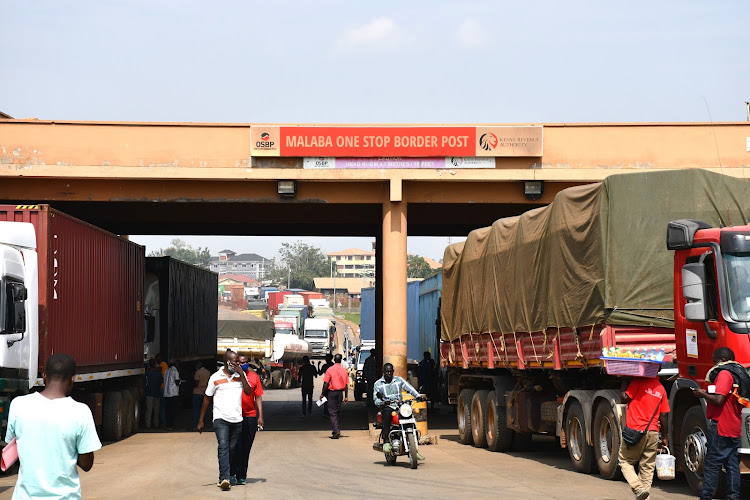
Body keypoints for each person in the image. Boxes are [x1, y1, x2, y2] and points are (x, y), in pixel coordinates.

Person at [5, 353, 101, 499]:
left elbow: (11, 450)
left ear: (44, 376)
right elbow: (86, 464)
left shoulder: (18, 405)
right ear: (72, 379)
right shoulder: (80, 412)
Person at [693, 347, 745, 500]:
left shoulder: (724, 374)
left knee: (712, 464)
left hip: (721, 426)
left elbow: (719, 399)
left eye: (715, 361)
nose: (714, 366)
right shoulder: (738, 373)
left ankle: (706, 496)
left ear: (722, 360)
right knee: (732, 464)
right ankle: (733, 497)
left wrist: (701, 394)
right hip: (734, 426)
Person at [198, 349, 253, 491]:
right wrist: (201, 420)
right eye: (235, 361)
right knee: (223, 446)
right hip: (220, 418)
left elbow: (248, 392)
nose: (238, 364)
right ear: (227, 362)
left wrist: (241, 375)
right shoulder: (215, 377)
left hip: (237, 420)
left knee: (232, 449)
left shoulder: (240, 376)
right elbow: (207, 398)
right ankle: (224, 478)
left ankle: (224, 474)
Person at [618, 375, 669, 500]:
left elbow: (624, 398)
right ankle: (644, 497)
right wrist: (665, 437)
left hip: (635, 430)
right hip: (653, 432)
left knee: (625, 461)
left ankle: (638, 488)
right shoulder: (661, 389)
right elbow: (664, 415)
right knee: (647, 467)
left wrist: (624, 380)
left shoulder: (637, 382)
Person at [373, 362, 423, 457]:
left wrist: (418, 396)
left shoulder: (399, 380)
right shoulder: (378, 384)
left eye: (391, 372)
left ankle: (415, 450)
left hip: (399, 406)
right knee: (387, 414)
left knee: (410, 419)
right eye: (387, 372)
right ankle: (386, 441)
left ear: (393, 372)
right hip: (388, 406)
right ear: (383, 372)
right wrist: (382, 402)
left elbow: (410, 388)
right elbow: (375, 399)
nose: (389, 374)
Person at [236, 355, 264, 486]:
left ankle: (242, 475)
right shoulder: (233, 377)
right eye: (242, 362)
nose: (244, 364)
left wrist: (260, 416)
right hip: (235, 416)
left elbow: (258, 397)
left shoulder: (254, 377)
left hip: (250, 416)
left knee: (246, 447)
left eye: (246, 362)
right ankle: (231, 472)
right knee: (235, 447)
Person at [319, 353, 348, 439]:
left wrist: (322, 393)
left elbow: (326, 383)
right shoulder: (344, 370)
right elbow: (346, 385)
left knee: (332, 412)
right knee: (337, 411)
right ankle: (336, 429)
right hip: (340, 393)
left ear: (334, 360)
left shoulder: (330, 370)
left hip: (331, 393)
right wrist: (346, 396)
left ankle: (336, 431)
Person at [163, 359, 182, 430]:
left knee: (167, 410)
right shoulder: (175, 371)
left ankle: (167, 425)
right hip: (173, 393)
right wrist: (180, 381)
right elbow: (177, 382)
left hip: (166, 393)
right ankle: (171, 425)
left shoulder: (167, 371)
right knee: (172, 411)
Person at [144, 358, 162, 429]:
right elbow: (161, 380)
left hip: (149, 392)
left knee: (149, 409)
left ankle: (148, 424)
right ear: (155, 364)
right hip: (157, 392)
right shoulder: (159, 372)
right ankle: (156, 424)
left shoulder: (148, 372)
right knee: (156, 410)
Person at [193, 361, 211, 430]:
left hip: (197, 392)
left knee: (196, 410)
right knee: (204, 410)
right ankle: (205, 425)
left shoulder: (197, 372)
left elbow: (196, 383)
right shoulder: (208, 372)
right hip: (205, 392)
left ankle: (196, 425)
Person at [156, 353, 169, 427]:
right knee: (163, 406)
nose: (156, 360)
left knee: (162, 407)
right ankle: (164, 421)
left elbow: (162, 376)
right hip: (165, 388)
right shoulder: (165, 364)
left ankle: (163, 422)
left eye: (157, 359)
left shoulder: (162, 364)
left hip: (162, 388)